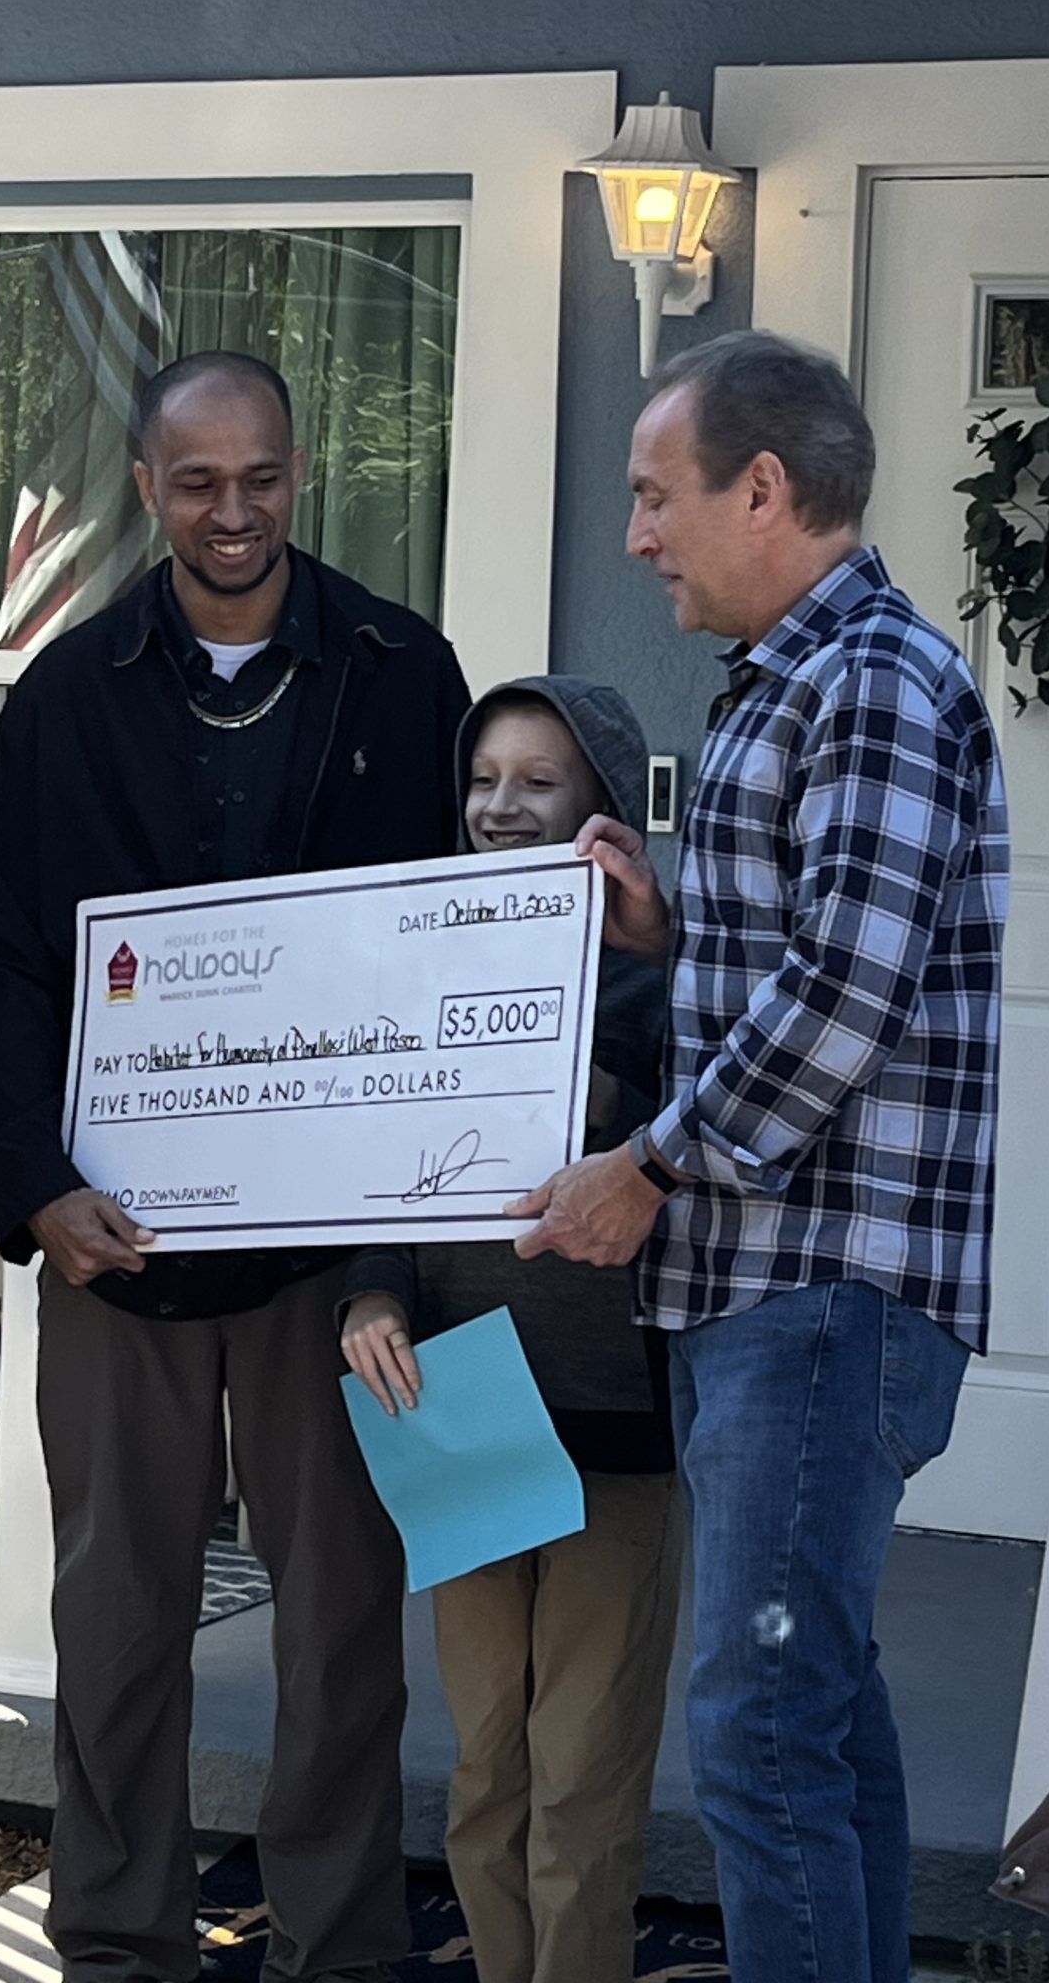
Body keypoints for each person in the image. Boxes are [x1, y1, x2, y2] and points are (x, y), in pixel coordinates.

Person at [0, 348, 471, 1983]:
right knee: (116, 1627)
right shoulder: (68, 691)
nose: (231, 512)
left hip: (334, 1259)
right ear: (145, 487)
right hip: (121, 1236)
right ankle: (115, 1942)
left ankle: (339, 1946)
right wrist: (30, 1183)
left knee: (339, 1628)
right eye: (197, 482)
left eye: (259, 478)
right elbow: (9, 959)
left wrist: (409, 1229)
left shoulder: (402, 671)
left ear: (298, 473)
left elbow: (449, 942)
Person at [510, 330, 1009, 1983]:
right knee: (824, 1716)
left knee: (755, 1731)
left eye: (658, 495)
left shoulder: (872, 679)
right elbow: (814, 949)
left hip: (822, 1290)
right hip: (780, 1292)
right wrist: (669, 921)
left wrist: (643, 1165)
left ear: (765, 487)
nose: (638, 533)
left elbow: (844, 998)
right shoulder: (799, 683)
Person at [338, 676, 678, 1983]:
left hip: (615, 1421)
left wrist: (651, 954)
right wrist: (371, 1289)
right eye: (485, 781)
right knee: (485, 1768)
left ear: (600, 798)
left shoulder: (673, 976)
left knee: (584, 1778)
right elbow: (379, 1153)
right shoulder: (420, 958)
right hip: (461, 1398)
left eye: (538, 783)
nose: (502, 807)